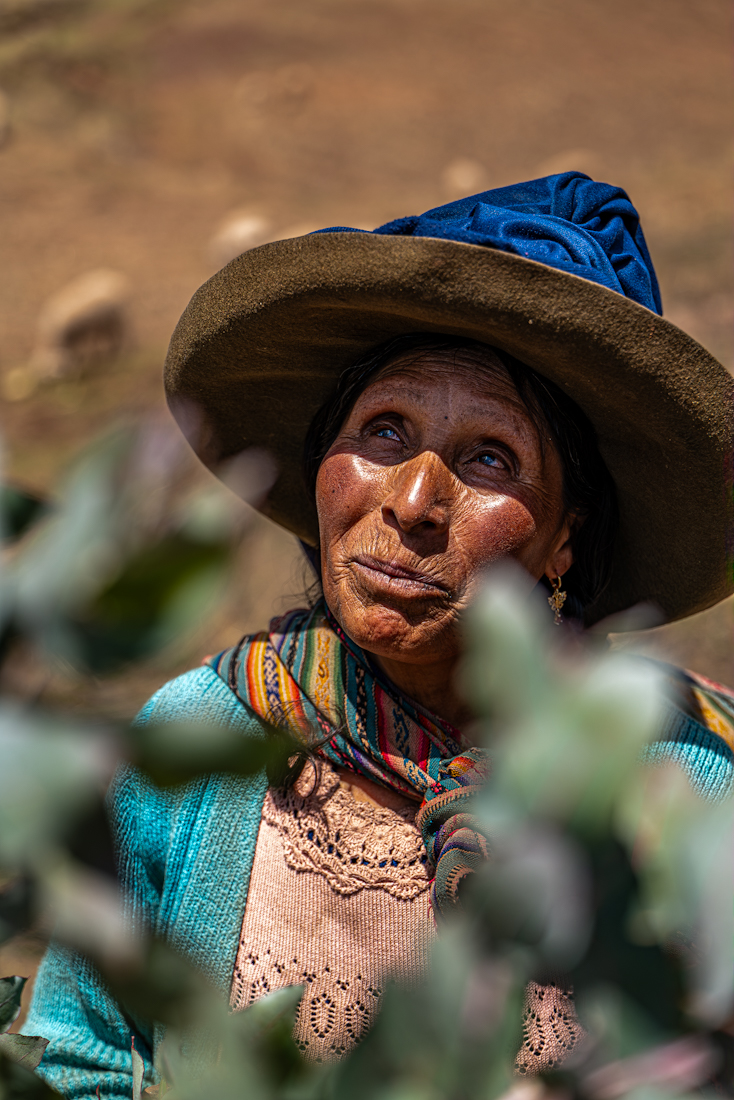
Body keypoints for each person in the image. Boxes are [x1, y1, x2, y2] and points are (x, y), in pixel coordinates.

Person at [24, 173, 734, 1097]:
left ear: (568, 536)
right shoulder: (200, 746)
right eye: (385, 431)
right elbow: (83, 1061)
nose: (409, 503)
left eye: (490, 457)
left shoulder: (693, 787)